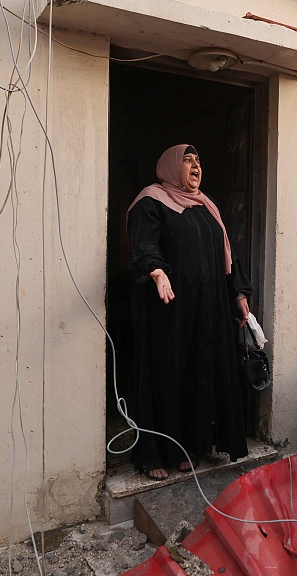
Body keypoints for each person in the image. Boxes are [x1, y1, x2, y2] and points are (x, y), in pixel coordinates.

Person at [127, 144, 251, 480]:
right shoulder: (151, 201)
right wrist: (156, 270)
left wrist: (238, 294)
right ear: (170, 166)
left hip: (207, 309)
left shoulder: (206, 206)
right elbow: (143, 242)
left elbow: (228, 255)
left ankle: (188, 447)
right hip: (170, 310)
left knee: (199, 372)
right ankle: (155, 454)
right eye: (187, 159)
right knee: (167, 373)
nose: (196, 165)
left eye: (198, 160)